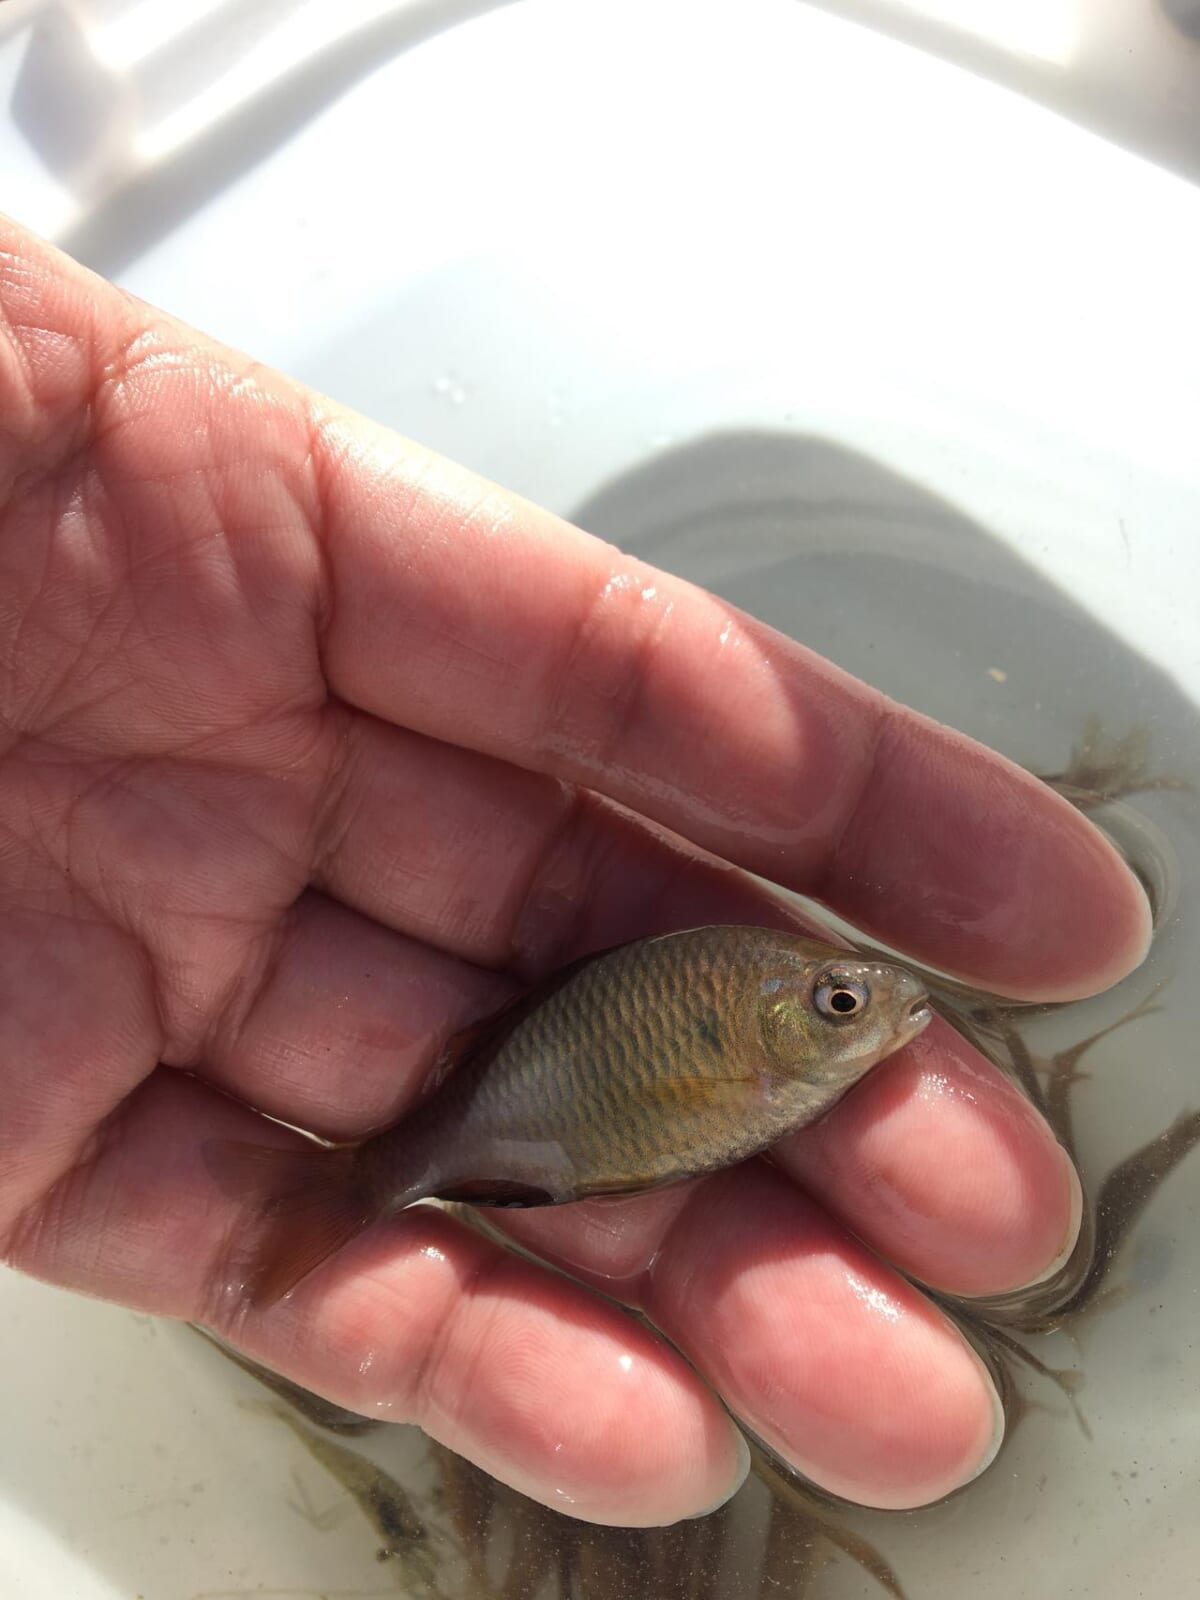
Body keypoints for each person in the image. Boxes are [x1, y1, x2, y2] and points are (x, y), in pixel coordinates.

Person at [0, 217, 1150, 1528]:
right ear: (772, 1024)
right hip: (522, 1114)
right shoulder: (733, 1040)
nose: (871, 1008)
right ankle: (346, 1195)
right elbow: (651, 1112)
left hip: (526, 1114)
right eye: (838, 1004)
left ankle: (346, 1196)